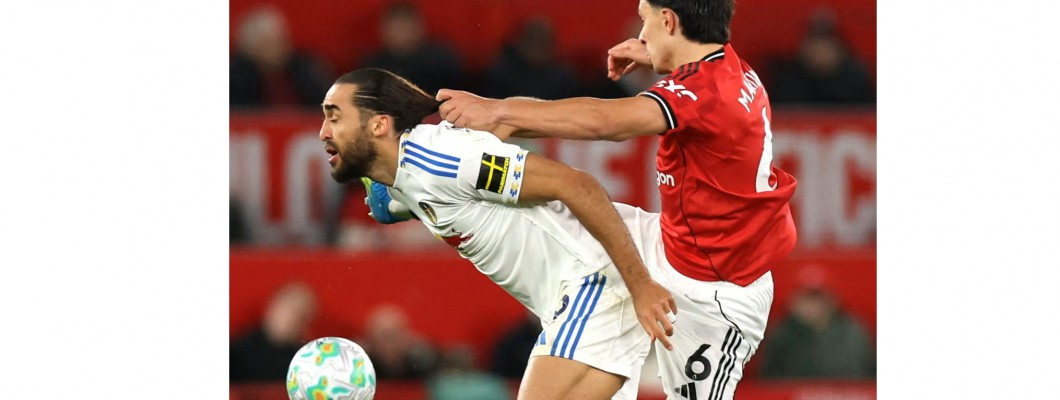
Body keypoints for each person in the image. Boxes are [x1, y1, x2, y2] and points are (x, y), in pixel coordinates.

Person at [435, 1, 798, 398]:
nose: (641, 35)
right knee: (557, 207)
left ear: (668, 20)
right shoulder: (730, 68)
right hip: (671, 245)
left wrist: (498, 111)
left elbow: (605, 122)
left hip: (720, 295)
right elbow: (700, 84)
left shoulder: (703, 92)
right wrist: (663, 54)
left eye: (645, 21)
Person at [319, 67, 677, 399]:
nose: (323, 132)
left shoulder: (442, 161)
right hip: (593, 287)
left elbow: (577, 185)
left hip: (598, 279)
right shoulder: (404, 178)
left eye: (334, 117)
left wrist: (640, 285)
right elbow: (399, 199)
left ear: (379, 125)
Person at [758, 286, 875, 379]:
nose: (812, 307)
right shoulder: (780, 335)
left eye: (817, 300)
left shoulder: (854, 332)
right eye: (806, 300)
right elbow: (769, 380)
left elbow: (867, 372)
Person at [766, 7, 875, 105]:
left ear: (840, 47)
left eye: (826, 43)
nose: (820, 50)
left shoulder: (857, 79)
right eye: (815, 43)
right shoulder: (787, 79)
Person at [230, 6, 334, 108]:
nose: (274, 50)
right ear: (249, 47)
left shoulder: (305, 69)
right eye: (267, 44)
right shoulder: (236, 78)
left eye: (278, 41)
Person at [359, 2, 466, 95]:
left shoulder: (441, 60)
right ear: (383, 30)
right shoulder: (373, 65)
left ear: (420, 27)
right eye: (396, 29)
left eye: (406, 28)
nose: (402, 34)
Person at [230, 282, 318, 382]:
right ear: (271, 307)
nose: (287, 318)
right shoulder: (237, 350)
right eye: (285, 308)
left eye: (296, 313)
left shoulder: (305, 360)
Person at [358, 304, 440, 380]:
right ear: (370, 340)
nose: (389, 345)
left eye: (393, 336)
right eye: (383, 337)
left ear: (406, 338)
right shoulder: (360, 366)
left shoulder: (424, 363)